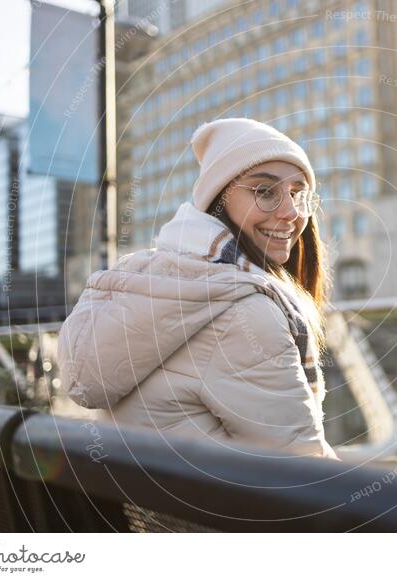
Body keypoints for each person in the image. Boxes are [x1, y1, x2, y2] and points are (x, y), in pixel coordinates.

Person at [58, 118, 338, 459]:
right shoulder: (243, 310)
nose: (291, 212)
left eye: (298, 194)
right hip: (219, 512)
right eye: (265, 192)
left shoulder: (159, 277)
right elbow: (306, 472)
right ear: (218, 199)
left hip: (158, 508)